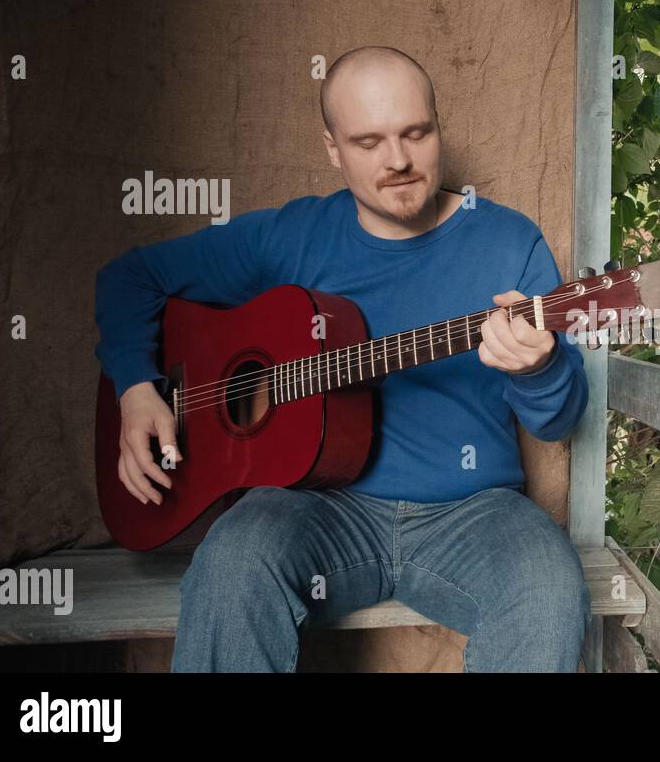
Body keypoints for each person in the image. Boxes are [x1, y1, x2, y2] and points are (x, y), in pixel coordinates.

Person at [93, 46, 592, 672]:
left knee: (548, 584)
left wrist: (538, 369)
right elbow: (130, 278)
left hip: (473, 514)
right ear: (332, 149)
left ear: (440, 125)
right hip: (314, 506)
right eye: (368, 142)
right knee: (232, 561)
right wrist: (137, 385)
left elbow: (558, 421)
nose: (400, 161)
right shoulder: (292, 237)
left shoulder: (509, 242)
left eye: (417, 133)